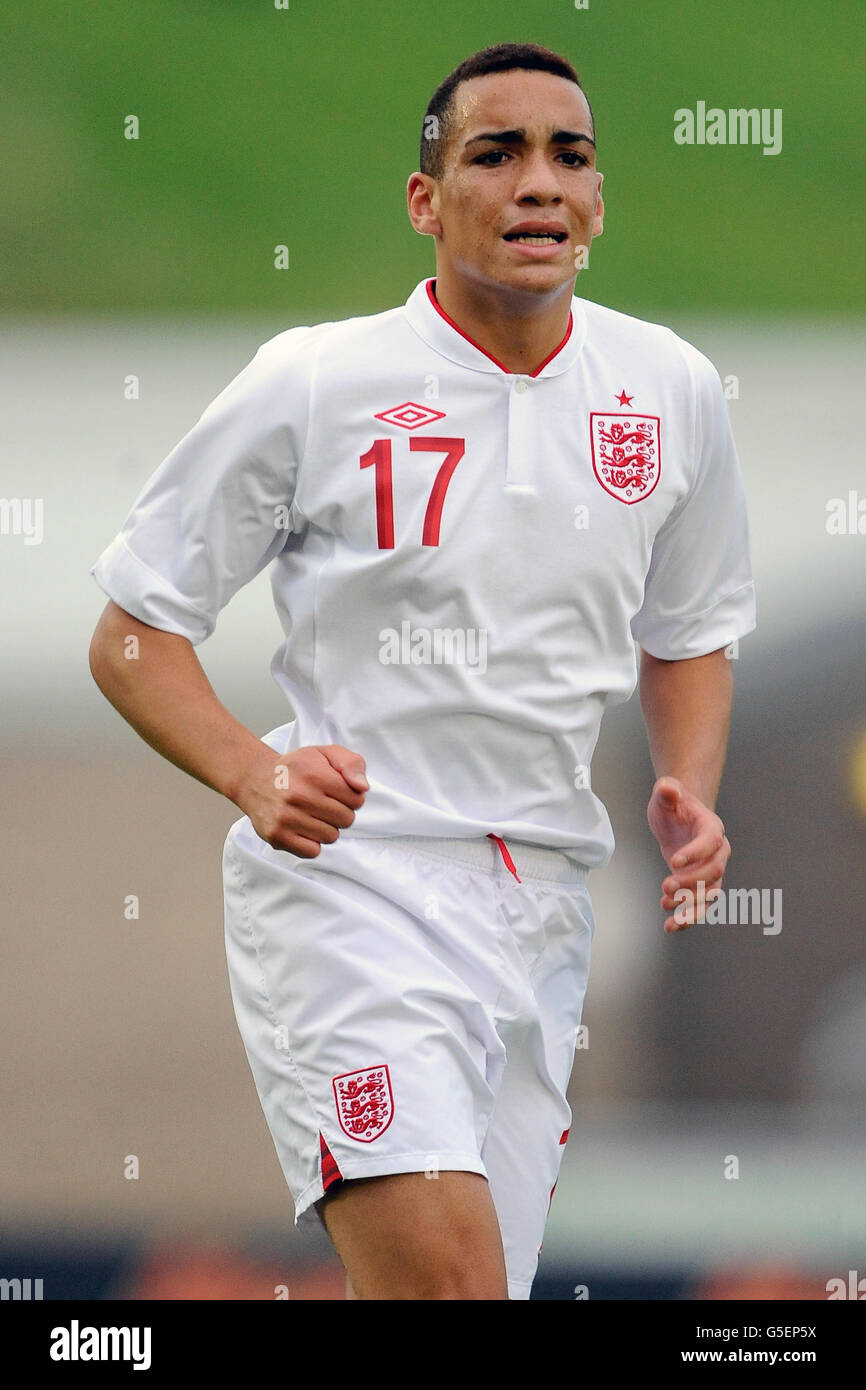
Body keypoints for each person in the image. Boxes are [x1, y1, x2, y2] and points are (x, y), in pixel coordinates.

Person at [88, 42, 756, 1300]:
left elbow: (689, 629)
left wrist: (691, 786)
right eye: (494, 154)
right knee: (445, 1286)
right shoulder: (315, 382)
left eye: (568, 153)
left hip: (541, 904)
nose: (537, 182)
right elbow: (130, 633)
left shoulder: (669, 389)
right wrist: (252, 771)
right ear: (425, 200)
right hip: (353, 888)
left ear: (599, 201)